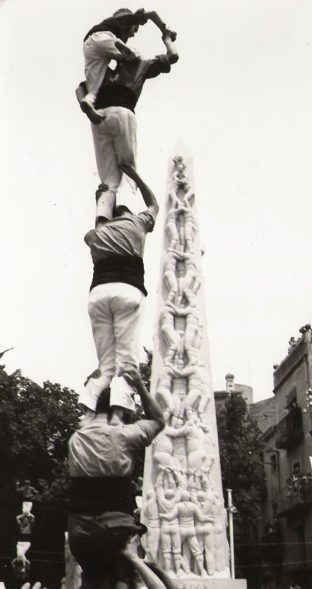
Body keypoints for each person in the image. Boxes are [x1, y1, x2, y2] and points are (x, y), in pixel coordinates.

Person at [68, 374, 165, 588]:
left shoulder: (76, 439)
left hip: (80, 531)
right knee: (125, 578)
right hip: (114, 527)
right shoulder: (126, 435)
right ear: (119, 409)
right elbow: (159, 420)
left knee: (91, 579)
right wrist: (139, 386)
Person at [76, 26, 178, 225]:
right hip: (123, 112)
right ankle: (124, 211)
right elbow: (173, 56)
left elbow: (79, 89)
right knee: (128, 169)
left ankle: (103, 216)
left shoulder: (99, 72)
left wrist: (84, 104)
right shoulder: (139, 64)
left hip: (99, 117)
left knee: (108, 178)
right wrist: (167, 38)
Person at [79, 175, 158, 422]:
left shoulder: (99, 231)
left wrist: (101, 198)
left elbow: (100, 217)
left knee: (106, 366)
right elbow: (154, 204)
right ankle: (115, 420)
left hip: (98, 294)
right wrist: (133, 174)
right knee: (126, 364)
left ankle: (88, 416)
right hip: (127, 290)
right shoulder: (138, 223)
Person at [81, 8, 176, 124]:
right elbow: (152, 14)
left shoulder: (109, 24)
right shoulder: (128, 18)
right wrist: (164, 30)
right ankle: (125, 50)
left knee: (93, 87)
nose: (132, 35)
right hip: (107, 39)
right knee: (133, 57)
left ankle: (88, 100)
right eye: (135, 30)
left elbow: (80, 88)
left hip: (89, 45)